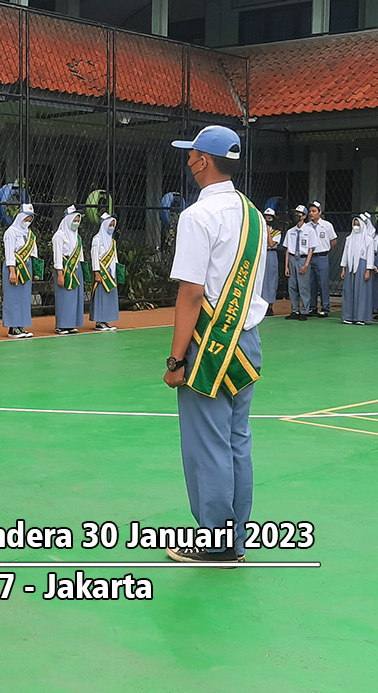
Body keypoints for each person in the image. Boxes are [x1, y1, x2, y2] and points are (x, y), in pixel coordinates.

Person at [161, 125, 267, 564]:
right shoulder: (255, 215)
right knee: (236, 441)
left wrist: (175, 358)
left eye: (192, 155)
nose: (188, 161)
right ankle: (235, 537)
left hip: (209, 344)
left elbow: (190, 293)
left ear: (203, 160)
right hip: (247, 341)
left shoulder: (197, 217)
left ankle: (216, 542)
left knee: (207, 446)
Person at [2, 203, 38, 339]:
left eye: (30, 219)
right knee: (13, 297)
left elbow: (34, 252)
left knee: (24, 297)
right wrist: (12, 271)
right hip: (15, 267)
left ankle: (21, 325)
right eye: (26, 218)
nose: (27, 221)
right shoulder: (11, 232)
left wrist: (35, 271)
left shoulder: (29, 234)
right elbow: (9, 253)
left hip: (26, 268)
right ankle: (13, 328)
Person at [52, 205, 85, 335]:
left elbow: (80, 256)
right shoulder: (59, 236)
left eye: (78, 220)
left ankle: (71, 324)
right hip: (64, 269)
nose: (76, 223)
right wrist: (60, 274)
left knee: (74, 298)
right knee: (64, 296)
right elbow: (57, 256)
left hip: (76, 270)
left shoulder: (77, 236)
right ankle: (61, 325)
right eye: (74, 220)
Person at [339, 213, 374, 325]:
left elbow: (370, 256)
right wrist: (343, 268)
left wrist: (368, 270)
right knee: (349, 291)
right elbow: (345, 253)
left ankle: (360, 317)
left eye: (358, 224)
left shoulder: (368, 240)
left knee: (361, 291)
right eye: (354, 224)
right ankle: (348, 316)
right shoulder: (349, 238)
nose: (356, 226)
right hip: (350, 265)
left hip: (362, 266)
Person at [90, 213, 120, 331]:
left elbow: (114, 257)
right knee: (100, 297)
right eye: (110, 224)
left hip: (111, 272)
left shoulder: (112, 241)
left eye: (113, 225)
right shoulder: (97, 239)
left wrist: (116, 270)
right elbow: (94, 256)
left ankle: (106, 320)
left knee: (109, 297)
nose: (111, 227)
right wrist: (96, 272)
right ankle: (99, 321)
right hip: (102, 272)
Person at [307, 201, 337, 317]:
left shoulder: (327, 225)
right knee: (311, 283)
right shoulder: (307, 226)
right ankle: (312, 307)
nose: (311, 213)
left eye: (314, 211)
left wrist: (325, 249)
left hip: (321, 256)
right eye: (310, 211)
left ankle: (325, 308)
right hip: (310, 257)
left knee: (323, 283)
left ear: (320, 212)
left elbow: (333, 241)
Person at [284, 205, 313, 321]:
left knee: (303, 286)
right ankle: (295, 310)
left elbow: (311, 249)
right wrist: (286, 266)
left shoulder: (309, 231)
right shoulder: (291, 231)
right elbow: (287, 250)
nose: (296, 216)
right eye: (295, 214)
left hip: (302, 258)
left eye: (299, 214)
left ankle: (305, 310)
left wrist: (306, 264)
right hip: (292, 259)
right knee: (292, 286)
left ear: (304, 216)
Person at [261, 203, 282, 308]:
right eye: (265, 218)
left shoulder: (277, 232)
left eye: (269, 218)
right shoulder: (260, 231)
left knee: (271, 279)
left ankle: (270, 305)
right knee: (261, 279)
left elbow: (271, 243)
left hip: (271, 254)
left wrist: (268, 231)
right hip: (261, 254)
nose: (267, 220)